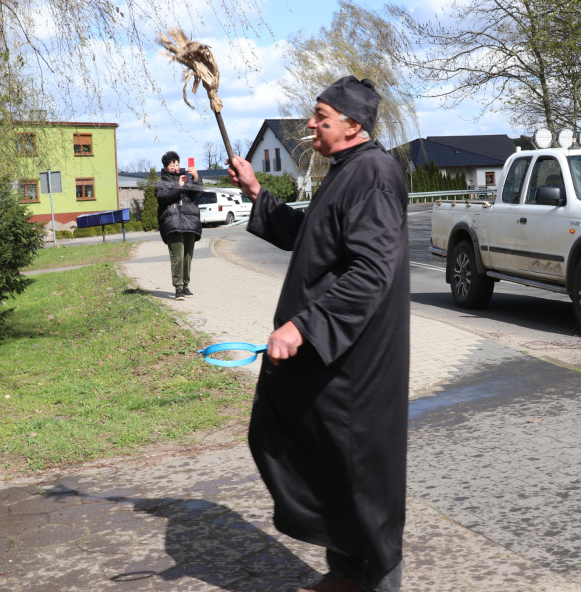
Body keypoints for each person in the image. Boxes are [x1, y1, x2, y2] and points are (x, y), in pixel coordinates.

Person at [227, 77, 410, 592]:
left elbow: (372, 271)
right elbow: (311, 238)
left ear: (354, 126)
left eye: (321, 117)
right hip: (326, 356)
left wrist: (304, 326)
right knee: (315, 453)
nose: (310, 124)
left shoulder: (373, 174)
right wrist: (258, 193)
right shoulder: (347, 169)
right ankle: (347, 573)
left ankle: (377, 581)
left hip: (354, 362)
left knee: (359, 472)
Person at [155, 150, 202, 300]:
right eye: (172, 164)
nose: (176, 167)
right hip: (172, 223)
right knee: (177, 256)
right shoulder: (161, 184)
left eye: (177, 163)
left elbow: (197, 193)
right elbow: (163, 197)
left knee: (188, 255)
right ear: (166, 167)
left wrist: (196, 178)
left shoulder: (186, 179)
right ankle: (178, 288)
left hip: (190, 222)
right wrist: (179, 186)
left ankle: (186, 285)